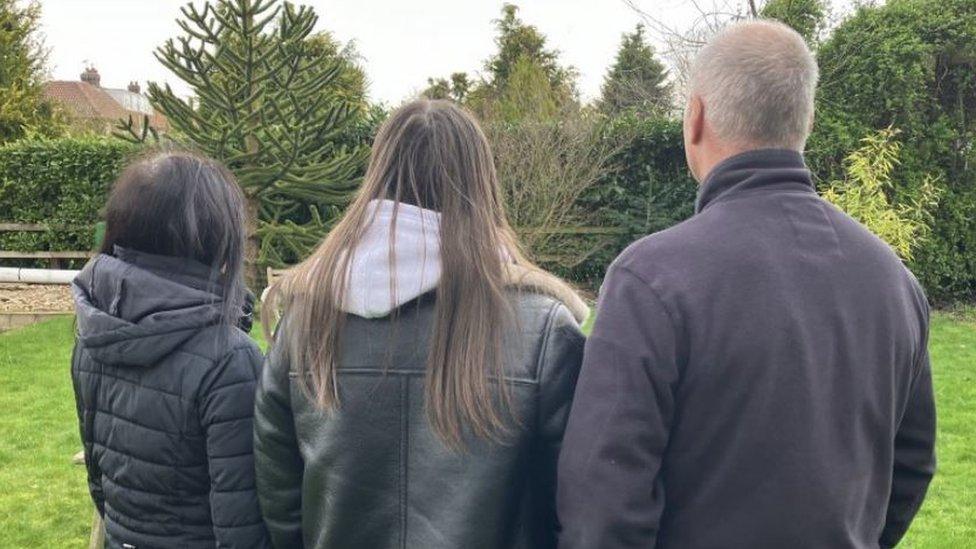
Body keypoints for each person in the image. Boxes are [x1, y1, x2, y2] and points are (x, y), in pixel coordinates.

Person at [557, 20, 935, 549]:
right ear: (805, 120)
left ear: (695, 117)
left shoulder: (652, 278)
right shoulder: (893, 280)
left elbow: (601, 500)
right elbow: (913, 462)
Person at [255, 99, 588, 548]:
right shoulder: (542, 328)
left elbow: (282, 505)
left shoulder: (303, 321)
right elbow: (577, 506)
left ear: (378, 174)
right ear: (482, 183)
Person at [71, 151, 270, 548]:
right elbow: (242, 526)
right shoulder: (230, 359)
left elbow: (99, 480)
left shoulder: (91, 329)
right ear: (214, 234)